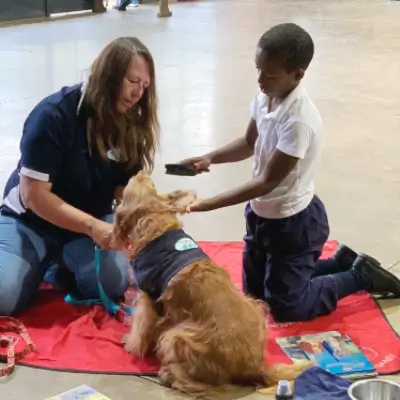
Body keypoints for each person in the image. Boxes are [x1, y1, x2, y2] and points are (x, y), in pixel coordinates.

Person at [179, 23, 400, 322]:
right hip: (260, 217)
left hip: (293, 224)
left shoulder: (298, 121)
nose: (260, 79)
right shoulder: (264, 97)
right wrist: (210, 157)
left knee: (285, 306)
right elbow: (248, 143)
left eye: (269, 74)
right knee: (254, 297)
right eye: (258, 69)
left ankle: (359, 276)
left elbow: (267, 182)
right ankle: (338, 263)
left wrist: (207, 203)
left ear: (298, 74)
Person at [0, 36, 159, 316]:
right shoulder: (52, 116)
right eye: (133, 81)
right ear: (108, 75)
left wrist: (146, 210)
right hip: (32, 221)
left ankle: (54, 265)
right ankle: (33, 257)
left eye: (144, 86)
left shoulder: (130, 120)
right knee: (3, 297)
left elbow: (125, 185)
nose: (138, 94)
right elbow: (33, 195)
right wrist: (93, 227)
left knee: (112, 283)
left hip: (89, 221)